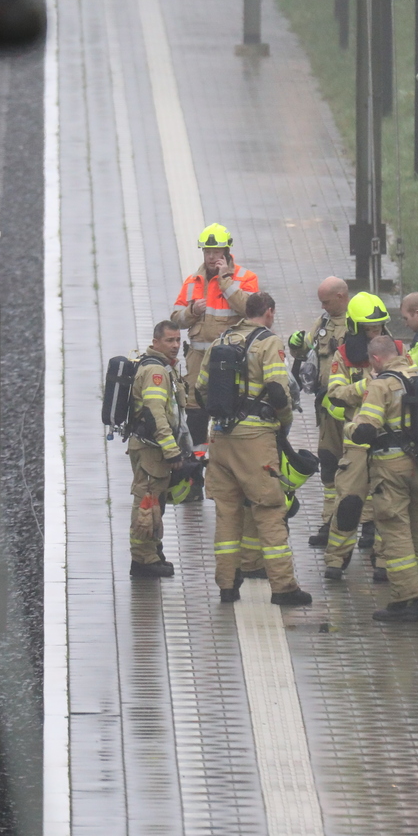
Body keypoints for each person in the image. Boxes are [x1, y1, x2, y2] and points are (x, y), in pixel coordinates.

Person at [197, 291, 313, 606]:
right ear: (270, 312)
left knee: (227, 512)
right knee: (270, 510)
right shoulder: (269, 343)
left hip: (220, 438)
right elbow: (277, 390)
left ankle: (227, 586)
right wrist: (284, 421)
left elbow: (200, 389)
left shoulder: (221, 340)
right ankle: (284, 587)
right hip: (256, 440)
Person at [348, 335, 418, 622]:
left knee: (396, 530)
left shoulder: (381, 385)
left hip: (392, 465)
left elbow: (367, 429)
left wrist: (348, 428)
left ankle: (404, 600)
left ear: (376, 359)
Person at [322, 291, 394, 580]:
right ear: (354, 327)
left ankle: (384, 563)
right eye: (368, 328)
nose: (374, 332)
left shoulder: (399, 350)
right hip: (355, 441)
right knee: (349, 503)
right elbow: (335, 393)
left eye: (377, 327)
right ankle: (335, 561)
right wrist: (366, 387)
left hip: (389, 441)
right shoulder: (343, 356)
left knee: (387, 505)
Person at [172, 224, 260, 455]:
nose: (211, 257)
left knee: (227, 410)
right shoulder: (193, 281)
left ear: (227, 251)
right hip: (196, 361)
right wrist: (191, 311)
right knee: (194, 413)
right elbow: (175, 320)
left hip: (229, 363)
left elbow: (249, 310)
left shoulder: (245, 278)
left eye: (216, 251)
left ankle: (224, 462)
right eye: (207, 251)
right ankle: (196, 464)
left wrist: (226, 282)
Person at [289, 276, 350, 547]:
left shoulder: (358, 322)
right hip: (327, 407)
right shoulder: (324, 322)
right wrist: (297, 344)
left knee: (358, 465)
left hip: (352, 408)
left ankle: (368, 526)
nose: (323, 306)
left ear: (341, 296)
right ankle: (329, 521)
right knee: (328, 462)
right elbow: (310, 347)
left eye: (327, 301)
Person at [128, 320, 187, 579]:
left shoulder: (162, 367)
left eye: (177, 340)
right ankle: (143, 559)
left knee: (154, 501)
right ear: (156, 342)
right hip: (151, 449)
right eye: (169, 341)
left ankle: (152, 550)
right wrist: (171, 450)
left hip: (150, 446)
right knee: (147, 502)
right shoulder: (156, 372)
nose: (175, 346)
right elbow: (156, 414)